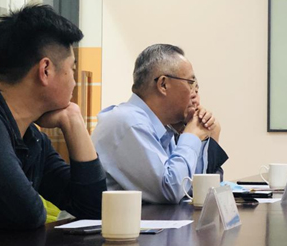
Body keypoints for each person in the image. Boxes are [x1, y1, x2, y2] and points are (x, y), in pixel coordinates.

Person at [0, 4, 107, 231]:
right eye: (72, 69)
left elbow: (94, 210)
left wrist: (73, 120)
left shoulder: (31, 137)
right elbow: (24, 214)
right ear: (45, 70)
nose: (74, 81)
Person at [92, 44, 228, 204]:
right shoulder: (129, 122)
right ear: (163, 84)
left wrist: (206, 136)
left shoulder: (162, 128)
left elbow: (190, 188)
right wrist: (191, 136)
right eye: (190, 83)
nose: (193, 94)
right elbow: (171, 191)